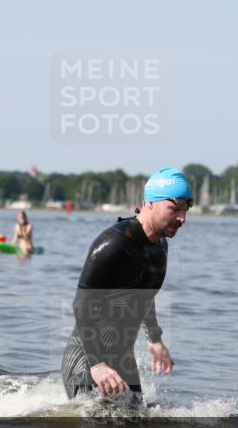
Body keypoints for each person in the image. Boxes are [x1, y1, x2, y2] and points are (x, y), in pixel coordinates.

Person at [60, 166, 189, 401]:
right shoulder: (114, 243)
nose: (182, 218)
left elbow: (143, 296)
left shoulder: (159, 246)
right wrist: (97, 364)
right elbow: (81, 304)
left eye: (186, 210)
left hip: (122, 361)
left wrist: (155, 339)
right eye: (174, 209)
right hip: (88, 360)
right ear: (150, 202)